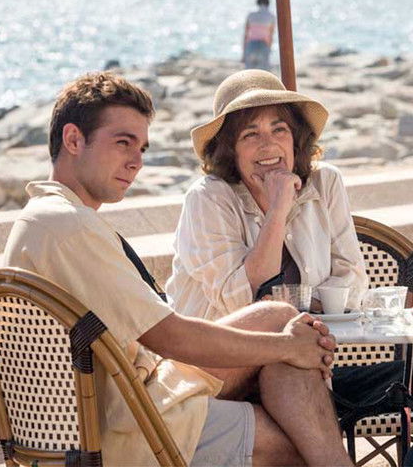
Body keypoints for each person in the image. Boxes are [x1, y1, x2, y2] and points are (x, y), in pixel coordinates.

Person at [4, 71, 353, 467]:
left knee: (277, 317)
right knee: (297, 439)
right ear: (73, 140)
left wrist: (287, 340)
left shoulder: (48, 218)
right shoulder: (69, 227)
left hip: (125, 396)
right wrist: (289, 346)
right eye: (123, 143)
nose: (136, 162)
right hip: (129, 423)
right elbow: (170, 336)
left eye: (142, 148)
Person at [166, 68, 402, 422]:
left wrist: (303, 312)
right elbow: (241, 300)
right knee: (290, 361)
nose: (268, 145)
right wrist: (278, 207)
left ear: (295, 140)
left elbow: (353, 282)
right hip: (218, 376)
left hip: (302, 362)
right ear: (230, 150)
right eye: (250, 134)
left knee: (401, 379)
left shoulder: (325, 182)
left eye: (279, 129)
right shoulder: (208, 199)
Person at [243, 0, 275, 71]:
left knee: (249, 72)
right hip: (264, 44)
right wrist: (269, 48)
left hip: (251, 44)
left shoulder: (251, 15)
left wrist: (244, 52)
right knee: (264, 72)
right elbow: (271, 35)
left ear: (257, 2)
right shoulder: (271, 16)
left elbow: (246, 34)